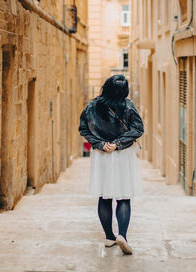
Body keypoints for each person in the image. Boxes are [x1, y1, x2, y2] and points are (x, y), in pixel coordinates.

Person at [78, 74, 144, 255]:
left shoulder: (92, 106)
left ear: (105, 87)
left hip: (102, 155)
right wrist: (119, 143)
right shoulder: (128, 106)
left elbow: (83, 128)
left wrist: (100, 144)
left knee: (104, 196)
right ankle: (122, 235)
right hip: (123, 155)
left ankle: (109, 237)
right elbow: (138, 129)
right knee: (124, 196)